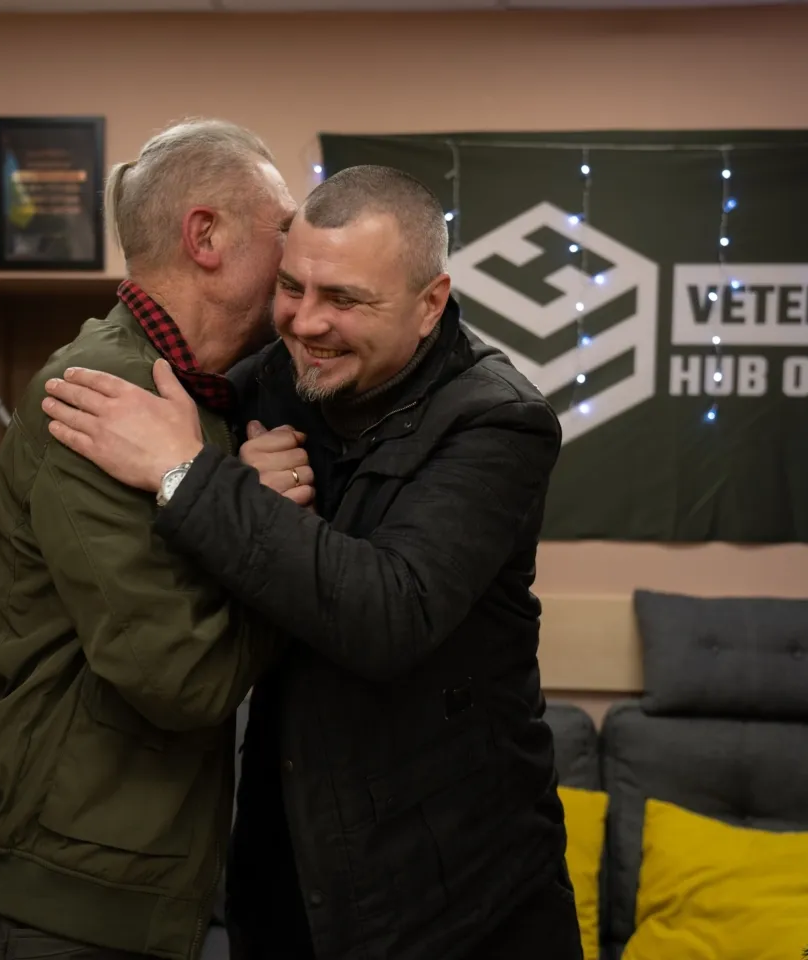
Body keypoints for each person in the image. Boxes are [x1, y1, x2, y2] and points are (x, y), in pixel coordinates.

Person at [40, 164, 581, 960]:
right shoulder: (268, 382)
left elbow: (386, 613)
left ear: (430, 304)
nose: (304, 322)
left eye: (346, 300)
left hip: (459, 893)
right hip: (289, 874)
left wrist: (189, 474)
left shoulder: (499, 421)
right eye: (292, 287)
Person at [0, 118, 296, 960]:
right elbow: (181, 676)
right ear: (206, 235)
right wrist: (275, 536)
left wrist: (231, 496)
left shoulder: (200, 400)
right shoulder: (97, 393)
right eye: (285, 230)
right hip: (44, 895)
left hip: (112, 876)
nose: (298, 260)